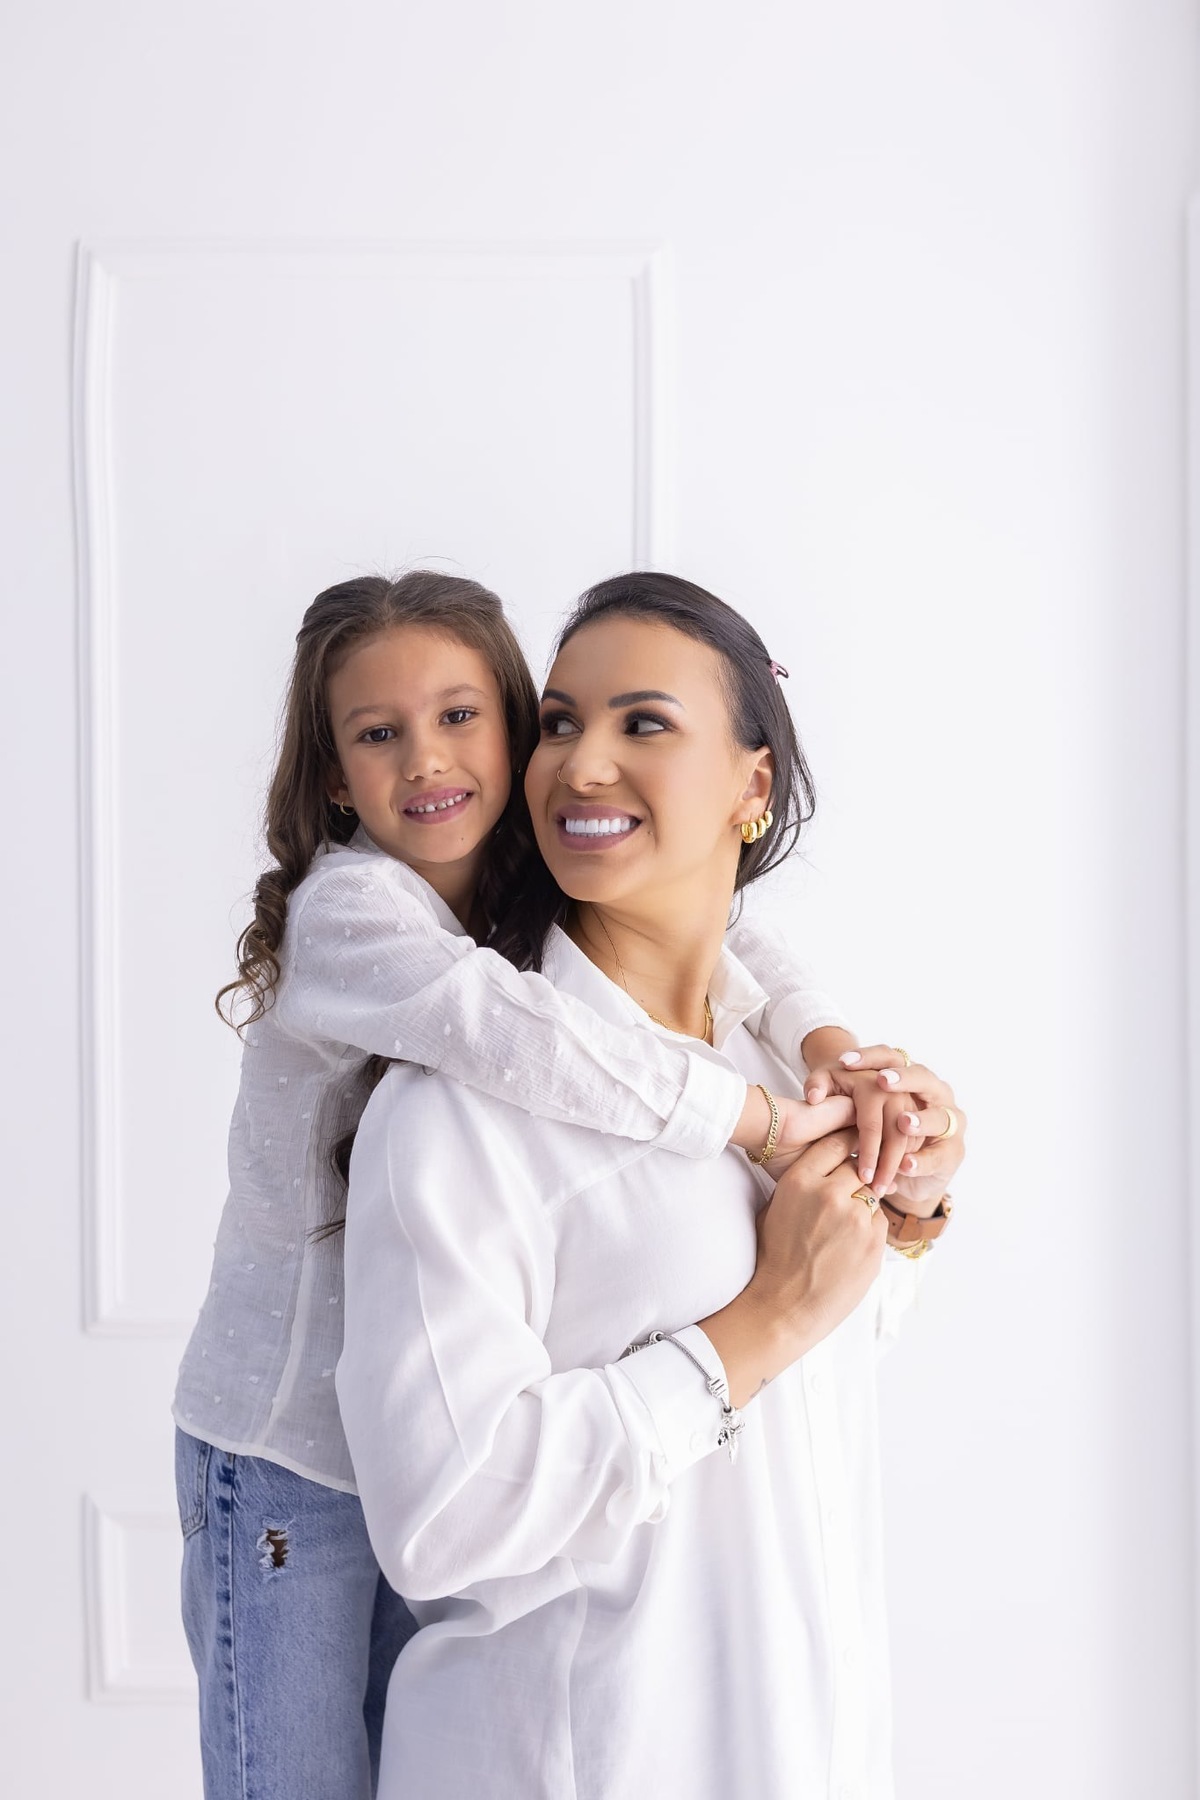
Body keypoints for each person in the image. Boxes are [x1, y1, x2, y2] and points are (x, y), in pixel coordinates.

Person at [173, 570, 921, 1799]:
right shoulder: (400, 974)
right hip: (284, 1450)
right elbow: (501, 1032)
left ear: (753, 787)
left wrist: (858, 1105)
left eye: (466, 718)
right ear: (334, 778)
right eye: (567, 724)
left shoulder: (724, 1031)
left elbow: (741, 942)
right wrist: (754, 1136)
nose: (429, 758)